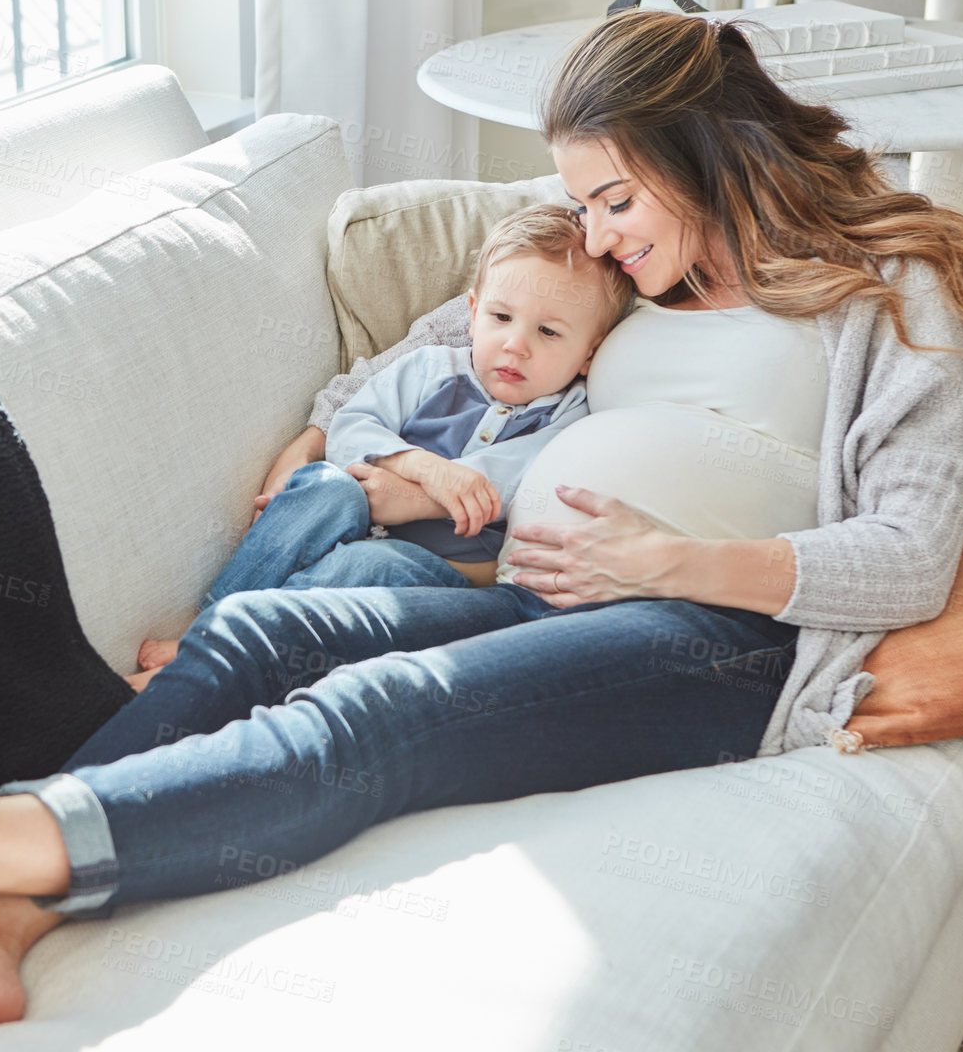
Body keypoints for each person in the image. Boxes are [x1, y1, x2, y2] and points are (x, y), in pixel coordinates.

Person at [0, 8, 963, 1031]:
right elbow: (439, 347)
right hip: (534, 587)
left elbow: (914, 555)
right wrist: (348, 440)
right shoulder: (641, 284)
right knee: (280, 622)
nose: (601, 232)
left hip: (713, 637)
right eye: (581, 206)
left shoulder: (890, 286)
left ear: (707, 155)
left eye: (617, 199)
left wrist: (677, 557)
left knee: (386, 714)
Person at [129, 203, 627, 689]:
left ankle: (222, 654)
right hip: (360, 516)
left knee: (361, 566)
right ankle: (210, 626)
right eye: (501, 317)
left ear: (590, 353)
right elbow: (351, 426)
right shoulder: (430, 368)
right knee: (325, 485)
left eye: (547, 331)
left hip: (441, 573)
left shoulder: (571, 415)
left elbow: (522, 481)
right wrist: (422, 466)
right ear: (472, 313)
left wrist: (417, 493)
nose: (516, 344)